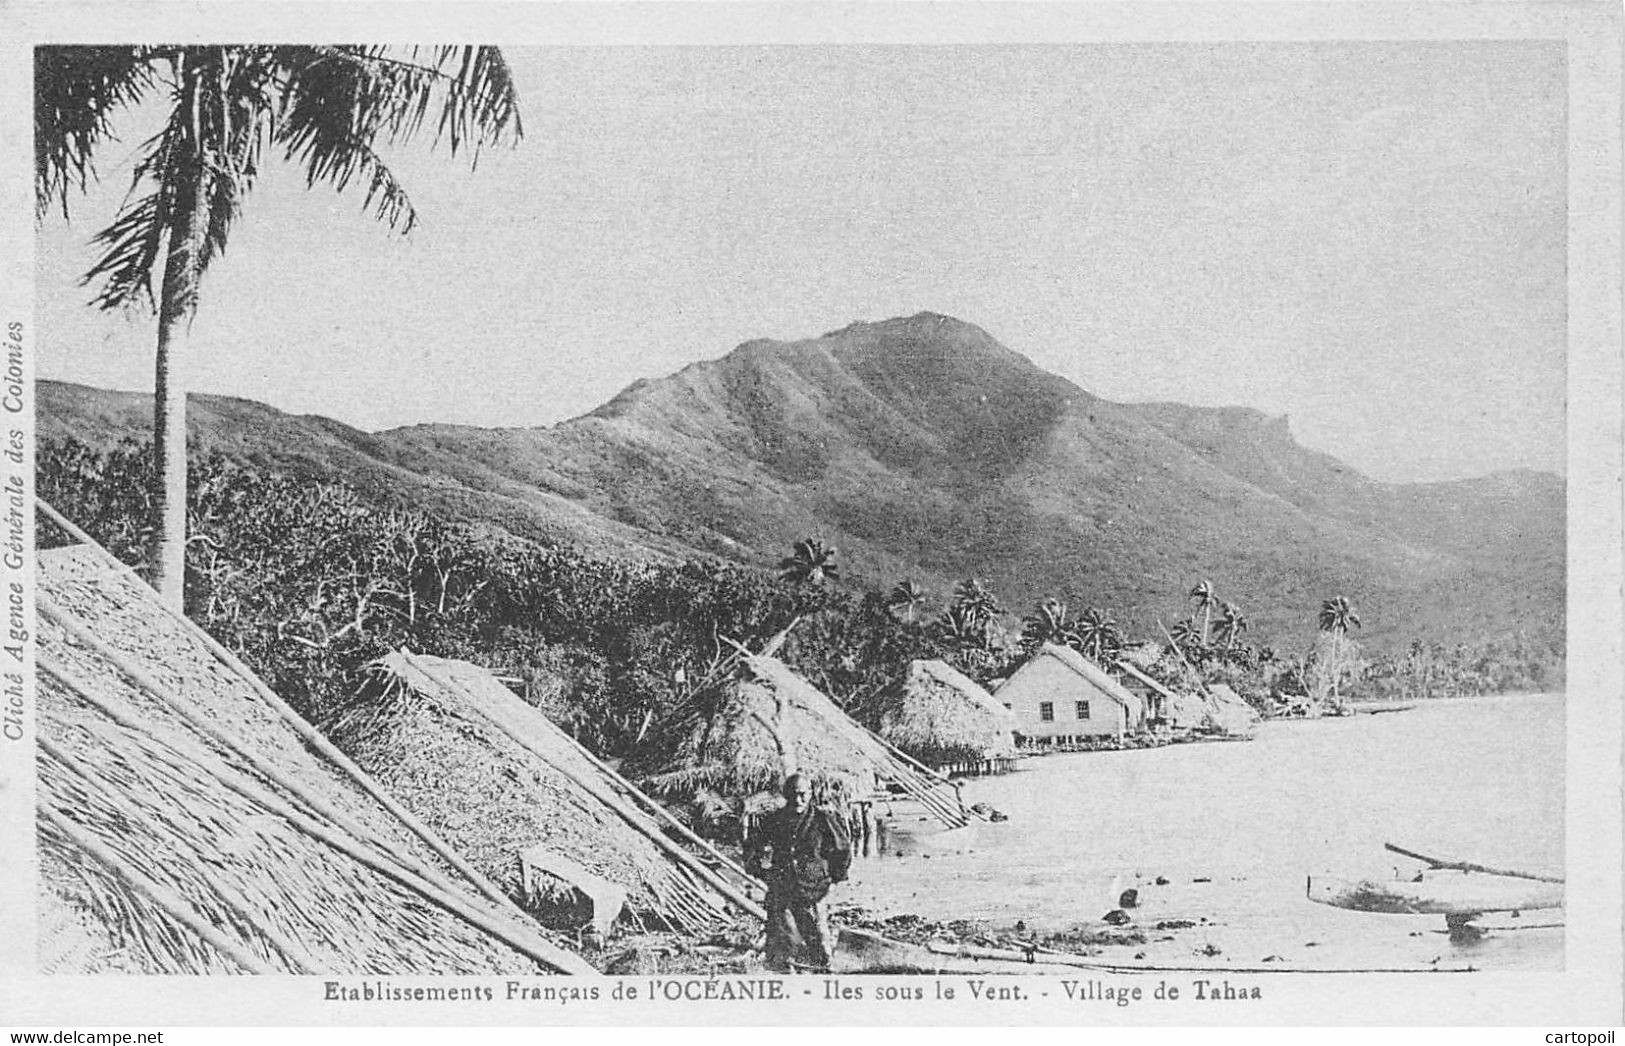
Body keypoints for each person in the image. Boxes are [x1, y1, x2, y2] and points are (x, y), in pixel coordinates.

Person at [746, 773, 851, 973]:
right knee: (784, 937)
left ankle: (822, 969)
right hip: (783, 887)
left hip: (814, 889)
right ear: (786, 794)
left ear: (810, 794)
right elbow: (752, 847)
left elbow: (843, 850)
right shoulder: (775, 820)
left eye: (803, 794)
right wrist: (761, 872)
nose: (798, 800)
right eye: (793, 794)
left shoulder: (822, 819)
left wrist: (834, 880)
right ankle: (788, 971)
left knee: (818, 937)